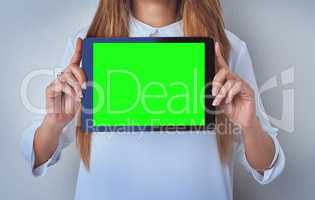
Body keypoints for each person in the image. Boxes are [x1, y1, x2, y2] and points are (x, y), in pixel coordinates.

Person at [21, 0, 285, 199]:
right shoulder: (86, 45)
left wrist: (250, 126)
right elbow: (37, 155)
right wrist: (54, 122)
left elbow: (266, 166)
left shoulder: (227, 48)